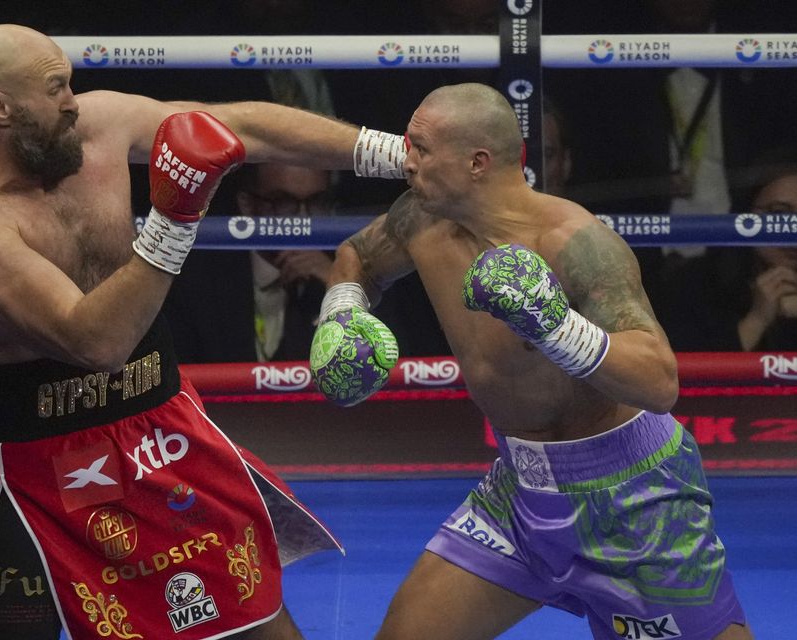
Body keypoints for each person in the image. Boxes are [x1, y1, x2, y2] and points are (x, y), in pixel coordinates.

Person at [0, 24, 407, 640]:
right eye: (56, 87)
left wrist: (394, 155)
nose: (74, 99)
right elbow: (93, 343)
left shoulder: (97, 125)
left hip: (158, 424)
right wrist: (174, 220)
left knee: (256, 615)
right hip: (33, 461)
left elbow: (240, 128)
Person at [308, 83, 750, 639]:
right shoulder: (419, 218)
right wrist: (342, 309)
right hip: (520, 494)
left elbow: (660, 382)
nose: (405, 159)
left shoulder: (573, 239)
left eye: (420, 147)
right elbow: (359, 256)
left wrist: (555, 326)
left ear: (477, 162)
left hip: (633, 499)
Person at [166, 162, 337, 363]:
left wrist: (339, 285)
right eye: (283, 202)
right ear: (247, 204)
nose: (302, 218)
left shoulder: (343, 271)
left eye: (316, 202)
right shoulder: (196, 281)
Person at [660, 156, 797, 351]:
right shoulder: (695, 283)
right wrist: (757, 320)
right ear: (745, 215)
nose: (792, 229)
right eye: (779, 214)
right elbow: (685, 375)